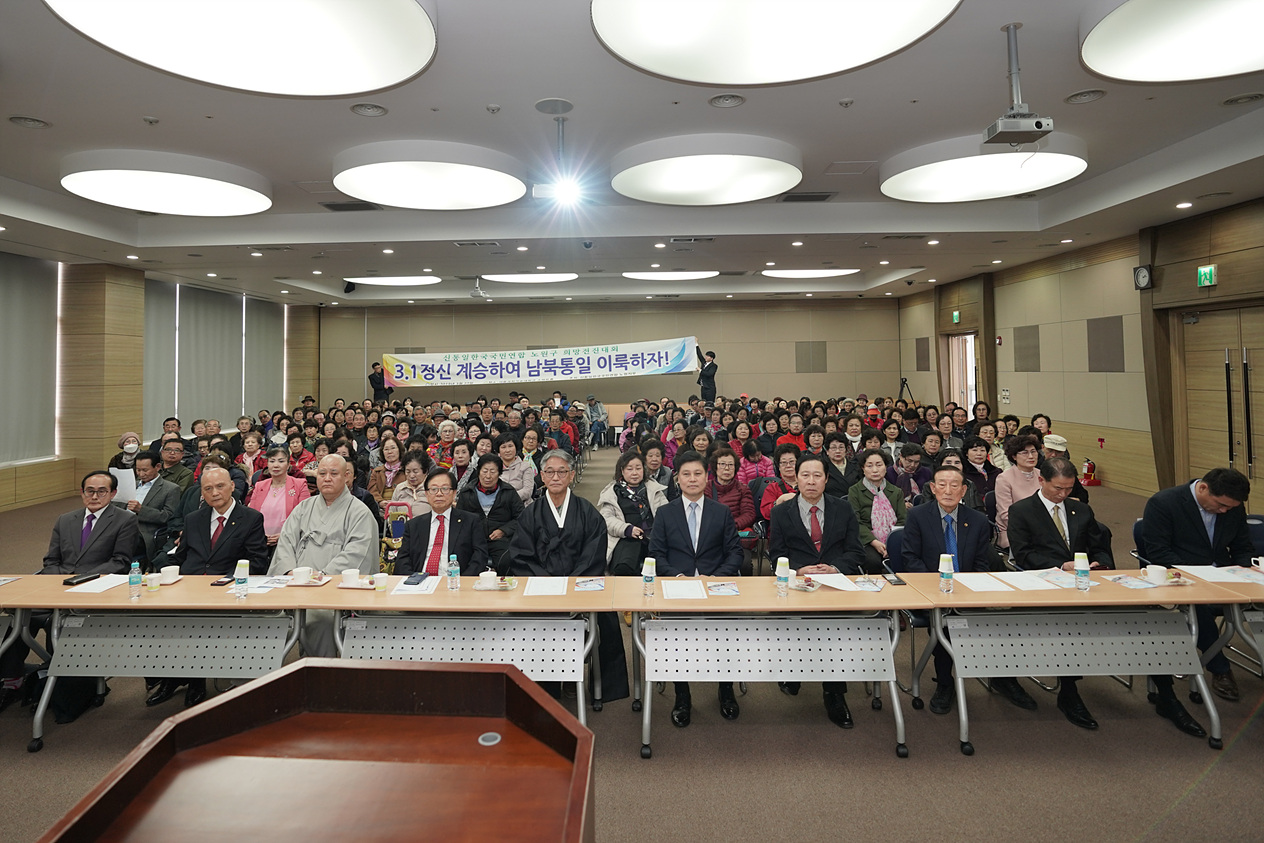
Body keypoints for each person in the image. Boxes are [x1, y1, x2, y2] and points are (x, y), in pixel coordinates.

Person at [0, 471, 138, 714]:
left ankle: (61, 687)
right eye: (89, 491)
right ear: (82, 492)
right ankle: (13, 681)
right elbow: (51, 559)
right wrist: (58, 582)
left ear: (113, 493)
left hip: (94, 590)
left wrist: (82, 580)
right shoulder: (66, 519)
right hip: (56, 588)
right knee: (19, 619)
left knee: (62, 624)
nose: (94, 496)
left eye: (101, 491)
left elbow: (120, 562)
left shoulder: (124, 520)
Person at [902, 464, 1027, 715]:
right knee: (946, 624)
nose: (947, 490)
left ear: (964, 490)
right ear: (933, 488)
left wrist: (969, 589)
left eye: (954, 485)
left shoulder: (978, 520)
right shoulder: (917, 516)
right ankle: (945, 682)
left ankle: (1004, 677)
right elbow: (910, 559)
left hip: (968, 590)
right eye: (942, 485)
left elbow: (983, 562)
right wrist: (939, 586)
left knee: (1006, 620)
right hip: (931, 592)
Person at [509, 450, 629, 703]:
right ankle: (542, 684)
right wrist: (549, 584)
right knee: (524, 620)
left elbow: (594, 553)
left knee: (606, 618)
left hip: (579, 584)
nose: (556, 476)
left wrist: (572, 584)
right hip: (542, 587)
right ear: (541, 476)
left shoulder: (587, 511)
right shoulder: (530, 514)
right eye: (550, 472)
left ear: (572, 475)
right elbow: (521, 556)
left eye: (562, 471)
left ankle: (594, 685)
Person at [1140, 467, 1253, 736]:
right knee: (1198, 605)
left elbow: (1241, 547)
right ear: (1203, 488)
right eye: (1221, 505)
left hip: (1223, 577)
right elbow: (1158, 552)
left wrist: (1249, 571)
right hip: (1182, 579)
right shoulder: (1164, 503)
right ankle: (1219, 667)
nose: (1225, 511)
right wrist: (1198, 576)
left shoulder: (1232, 506)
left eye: (1230, 508)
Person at [149, 466, 270, 709]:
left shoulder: (251, 518)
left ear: (232, 486)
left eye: (220, 486)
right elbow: (181, 555)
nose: (214, 492)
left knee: (196, 623)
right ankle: (169, 677)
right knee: (156, 618)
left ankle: (195, 681)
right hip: (189, 584)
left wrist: (226, 580)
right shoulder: (194, 518)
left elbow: (258, 562)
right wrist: (159, 570)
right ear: (201, 493)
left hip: (225, 588)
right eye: (208, 489)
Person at [1006, 457, 1114, 730]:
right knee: (1068, 623)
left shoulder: (1081, 510)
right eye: (1058, 488)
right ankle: (1069, 690)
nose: (1063, 494)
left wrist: (1098, 563)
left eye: (1068, 488)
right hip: (1042, 584)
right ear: (1041, 480)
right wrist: (1058, 566)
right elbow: (1023, 555)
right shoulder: (1022, 511)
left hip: (1082, 584)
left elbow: (1099, 545)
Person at [768, 452, 866, 728]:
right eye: (805, 475)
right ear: (795, 478)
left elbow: (856, 552)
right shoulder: (780, 512)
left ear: (826, 479)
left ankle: (834, 694)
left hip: (834, 583)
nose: (811, 481)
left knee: (833, 627)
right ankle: (795, 670)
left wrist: (834, 568)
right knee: (797, 623)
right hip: (799, 583)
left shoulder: (843, 509)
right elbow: (776, 556)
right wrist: (799, 569)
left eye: (817, 475)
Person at [649, 450, 744, 726]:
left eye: (698, 474)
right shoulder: (665, 513)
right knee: (676, 640)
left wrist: (714, 578)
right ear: (677, 479)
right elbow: (656, 554)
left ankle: (726, 691)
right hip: (677, 588)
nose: (692, 479)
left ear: (707, 477)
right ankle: (683, 695)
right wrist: (677, 577)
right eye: (686, 474)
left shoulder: (721, 512)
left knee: (726, 637)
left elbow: (735, 554)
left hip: (715, 587)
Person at [268, 455, 378, 657]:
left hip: (332, 595)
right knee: (262, 618)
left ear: (346, 477)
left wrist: (320, 578)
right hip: (293, 587)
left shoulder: (359, 512)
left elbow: (357, 554)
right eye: (322, 473)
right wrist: (291, 572)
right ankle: (257, 681)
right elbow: (285, 543)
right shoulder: (303, 508)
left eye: (334, 473)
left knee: (318, 620)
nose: (327, 478)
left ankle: (320, 676)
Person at [397, 467, 489, 576]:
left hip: (456, 582)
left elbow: (480, 557)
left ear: (454, 493)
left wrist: (463, 582)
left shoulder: (471, 521)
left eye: (445, 488)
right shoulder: (413, 525)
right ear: (426, 494)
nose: (439, 494)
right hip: (420, 582)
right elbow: (402, 561)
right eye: (433, 489)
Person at [598, 450, 669, 575]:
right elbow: (606, 519)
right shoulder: (613, 492)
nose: (634, 473)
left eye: (638, 468)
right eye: (629, 469)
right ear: (622, 470)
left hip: (653, 537)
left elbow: (667, 514)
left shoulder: (654, 489)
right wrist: (627, 529)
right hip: (625, 538)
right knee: (624, 566)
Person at [455, 454, 523, 573]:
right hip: (474, 540)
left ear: (499, 473)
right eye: (484, 471)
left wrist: (504, 530)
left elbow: (522, 517)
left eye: (493, 471)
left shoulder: (508, 492)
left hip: (501, 540)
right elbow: (459, 519)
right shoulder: (467, 493)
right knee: (468, 564)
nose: (488, 476)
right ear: (479, 472)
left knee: (508, 562)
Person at [112, 451, 180, 566]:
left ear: (157, 467)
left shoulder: (170, 489)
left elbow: (167, 516)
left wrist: (141, 510)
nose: (141, 474)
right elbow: (116, 505)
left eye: (145, 470)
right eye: (138, 470)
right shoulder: (131, 485)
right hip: (120, 525)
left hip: (143, 531)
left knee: (118, 540)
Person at [848, 449, 907, 573]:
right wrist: (874, 542)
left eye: (879, 465)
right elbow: (855, 521)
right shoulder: (855, 491)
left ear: (886, 467)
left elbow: (903, 520)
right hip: (867, 541)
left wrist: (892, 542)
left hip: (892, 538)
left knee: (903, 557)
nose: (875, 470)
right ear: (863, 468)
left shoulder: (896, 492)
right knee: (872, 561)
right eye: (869, 466)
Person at [247, 446, 311, 552]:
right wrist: (260, 536)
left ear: (288, 464)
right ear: (267, 464)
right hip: (260, 542)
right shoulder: (259, 486)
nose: (276, 465)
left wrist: (284, 535)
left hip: (289, 543)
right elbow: (251, 515)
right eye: (272, 461)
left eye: (281, 461)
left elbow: (306, 516)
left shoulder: (300, 484)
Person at [995, 433, 1043, 551]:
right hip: (1014, 531)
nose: (1031, 456)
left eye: (1033, 451)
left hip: (1042, 529)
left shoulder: (1042, 475)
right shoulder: (1004, 478)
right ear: (1014, 456)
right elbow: (1006, 515)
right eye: (1025, 453)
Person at [760, 443, 802, 522]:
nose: (788, 466)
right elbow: (766, 513)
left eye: (792, 462)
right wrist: (778, 502)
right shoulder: (772, 488)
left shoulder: (807, 485)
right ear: (778, 467)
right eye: (783, 463)